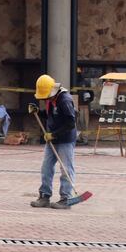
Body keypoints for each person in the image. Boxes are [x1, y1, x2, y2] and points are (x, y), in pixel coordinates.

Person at [30, 74, 78, 209]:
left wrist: (54, 134)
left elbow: (70, 123)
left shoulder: (65, 100)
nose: (45, 98)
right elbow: (49, 115)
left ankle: (66, 198)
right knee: (46, 167)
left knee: (66, 169)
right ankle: (44, 195)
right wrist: (38, 111)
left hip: (65, 140)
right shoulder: (51, 100)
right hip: (52, 139)